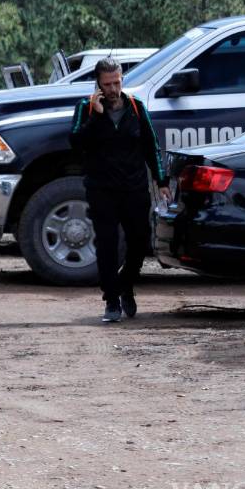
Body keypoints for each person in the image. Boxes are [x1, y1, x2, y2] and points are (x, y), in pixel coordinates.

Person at [68, 57, 170, 323]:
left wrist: (162, 181)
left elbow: (151, 146)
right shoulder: (85, 108)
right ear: (98, 85)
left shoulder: (136, 107)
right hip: (102, 188)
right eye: (107, 84)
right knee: (108, 244)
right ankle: (112, 300)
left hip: (134, 187)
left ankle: (125, 284)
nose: (113, 89)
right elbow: (76, 143)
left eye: (117, 82)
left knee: (140, 240)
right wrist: (96, 116)